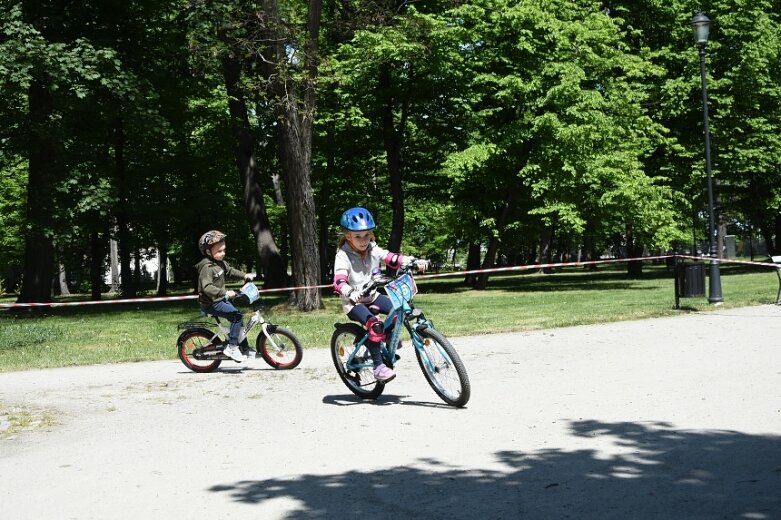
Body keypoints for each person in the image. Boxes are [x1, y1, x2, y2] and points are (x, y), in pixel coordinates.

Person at [332, 207, 428, 382]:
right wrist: (350, 292)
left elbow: (390, 257)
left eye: (367, 235)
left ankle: (387, 337)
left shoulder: (372, 248)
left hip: (373, 296)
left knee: (398, 310)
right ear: (348, 236)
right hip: (354, 302)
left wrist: (411, 261)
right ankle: (378, 366)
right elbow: (338, 281)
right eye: (358, 236)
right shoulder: (343, 256)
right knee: (375, 325)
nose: (363, 240)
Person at [196, 230, 255, 362]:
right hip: (211, 303)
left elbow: (230, 271)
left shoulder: (220, 262)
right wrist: (225, 293)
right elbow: (207, 288)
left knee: (239, 317)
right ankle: (232, 347)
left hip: (219, 299)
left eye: (224, 250)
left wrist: (244, 275)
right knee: (236, 316)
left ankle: (243, 347)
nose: (222, 253)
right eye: (219, 251)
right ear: (208, 252)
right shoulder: (207, 267)